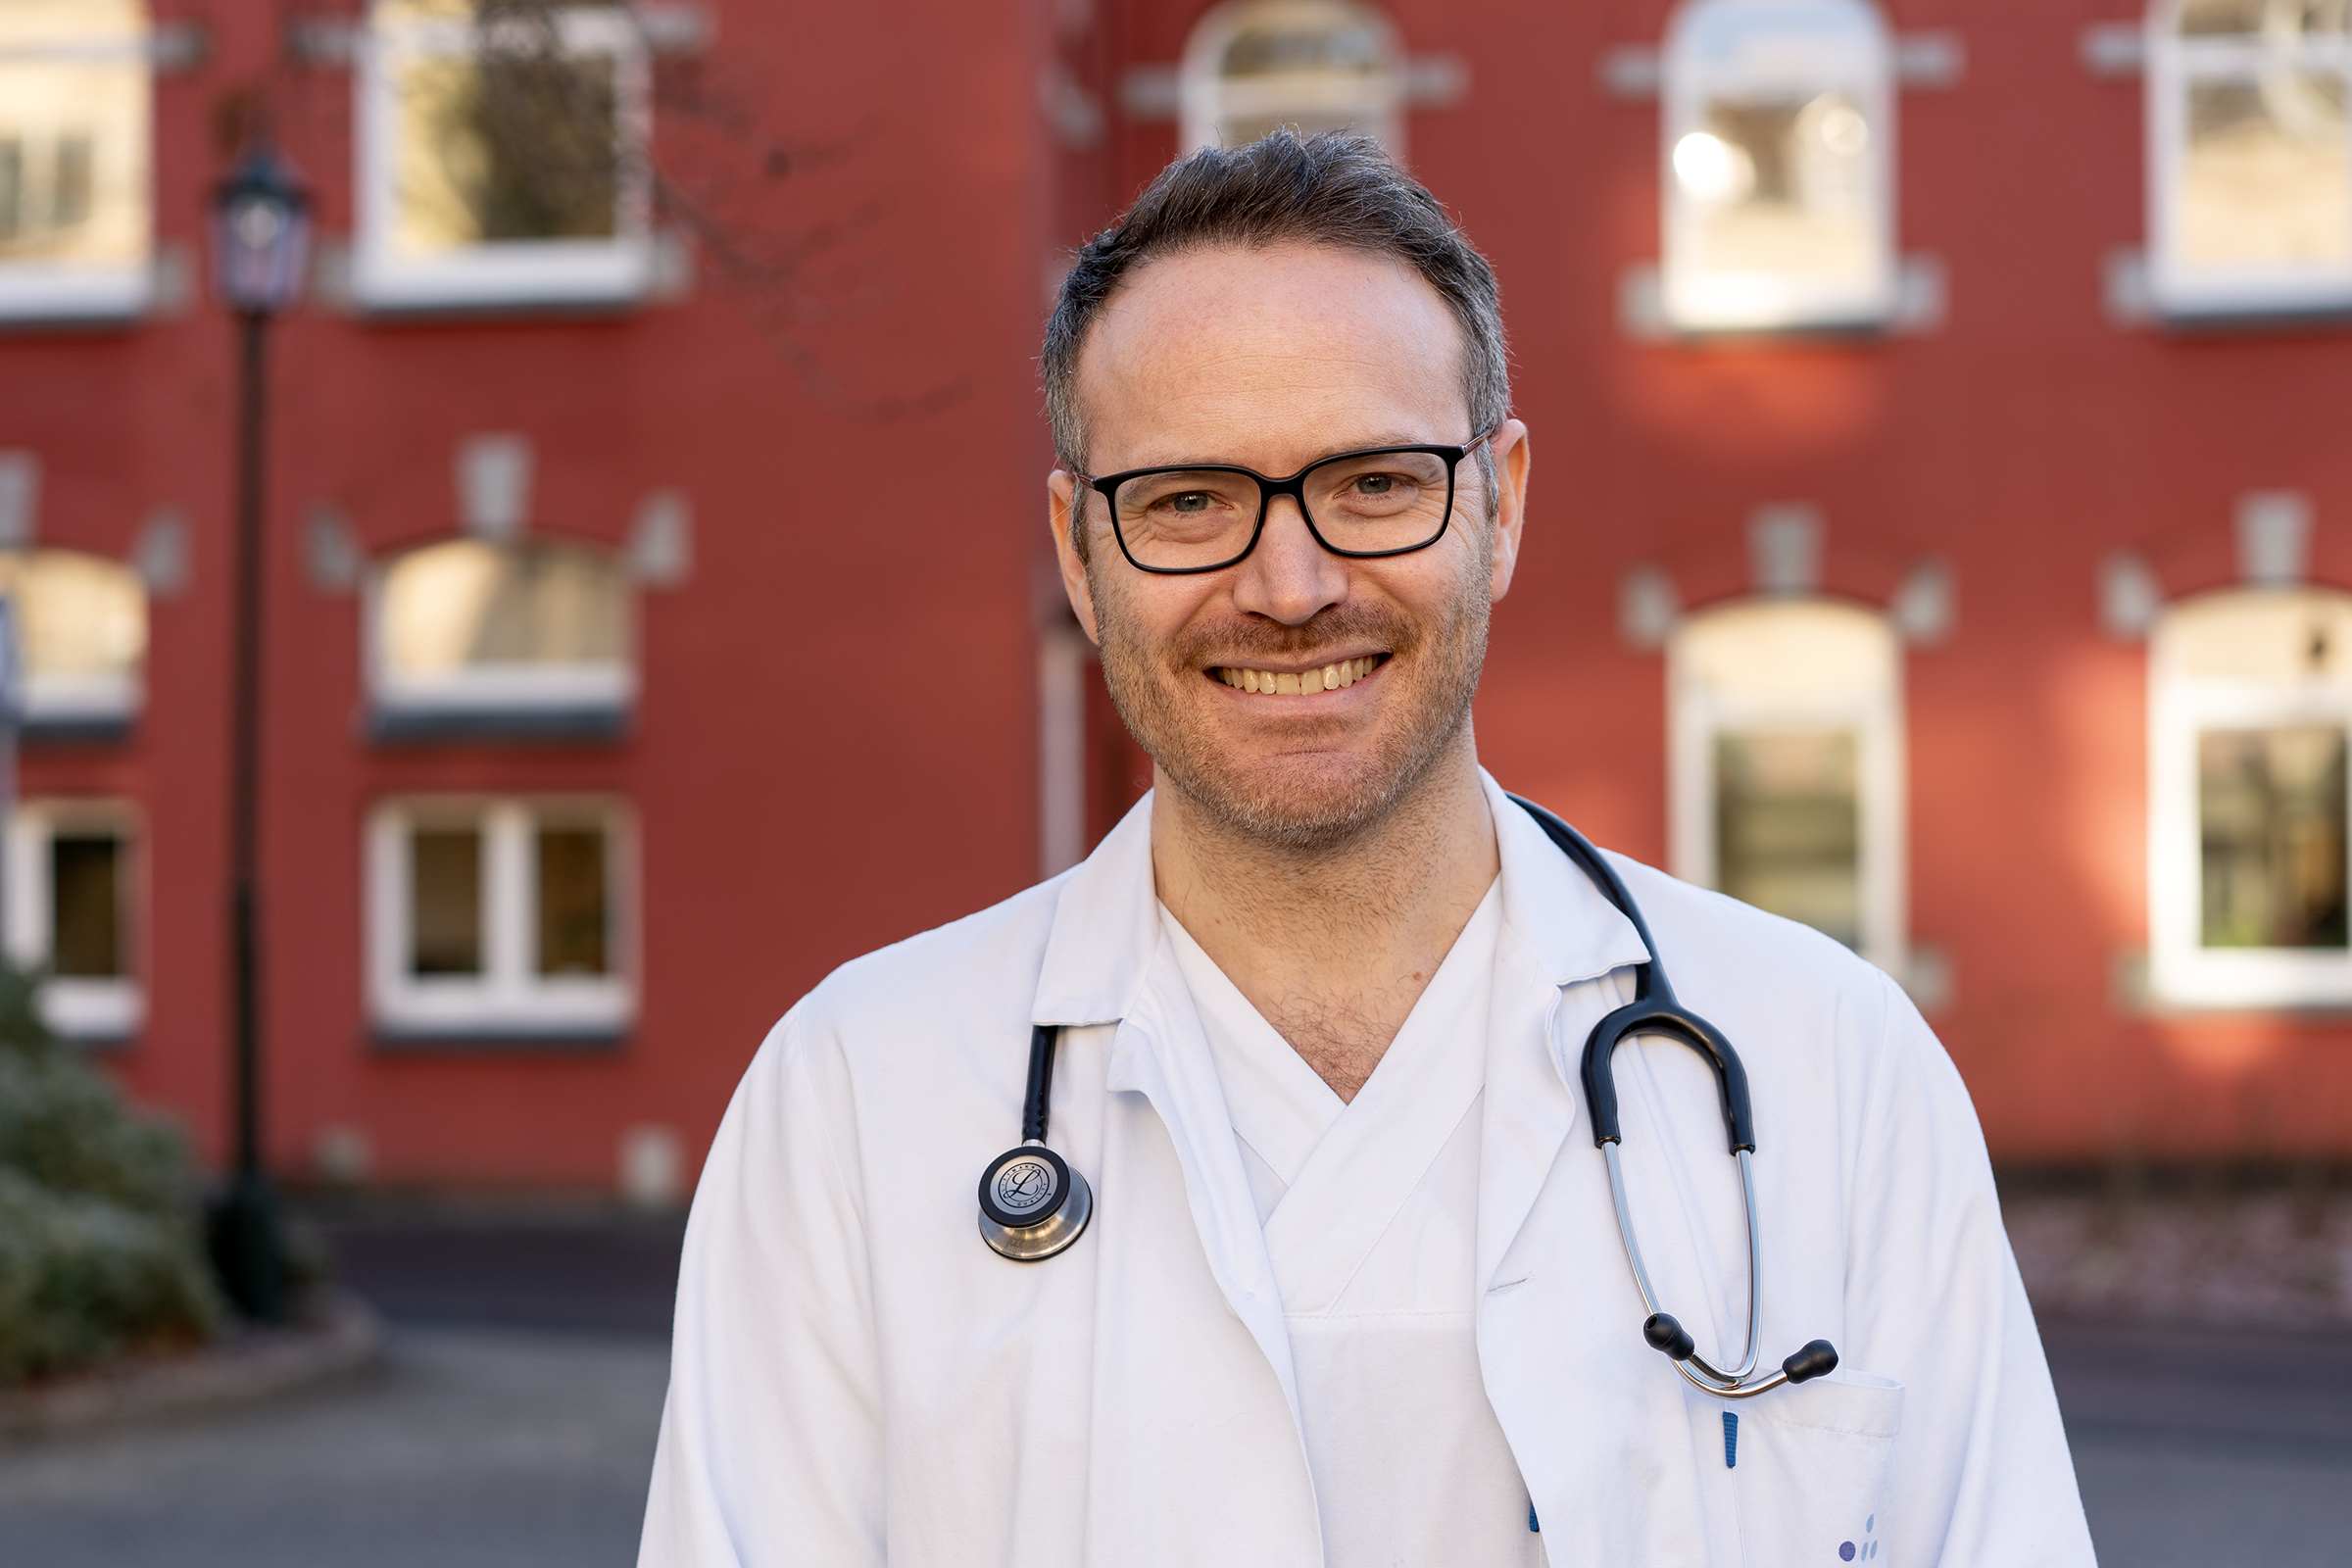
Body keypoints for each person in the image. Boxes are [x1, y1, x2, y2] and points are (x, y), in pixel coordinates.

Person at [638, 131, 2095, 1568]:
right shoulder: (855, 1100)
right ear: (1081, 557)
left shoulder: (1826, 1061)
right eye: (1190, 501)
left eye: (1376, 483)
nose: (1288, 585)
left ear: (1501, 505)